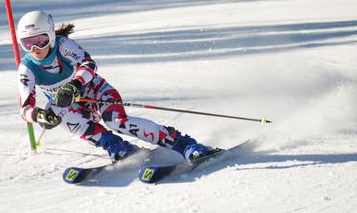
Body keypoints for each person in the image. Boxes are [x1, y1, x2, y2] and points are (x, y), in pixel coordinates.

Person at [16, 10, 214, 162]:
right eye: (27, 44)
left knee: (116, 121)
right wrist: (39, 116)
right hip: (69, 104)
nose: (35, 49)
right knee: (56, 112)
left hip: (94, 91)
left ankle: (185, 145)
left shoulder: (63, 45)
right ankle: (117, 147)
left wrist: (75, 85)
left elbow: (88, 64)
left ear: (50, 36)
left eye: (40, 41)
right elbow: (25, 108)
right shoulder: (27, 68)